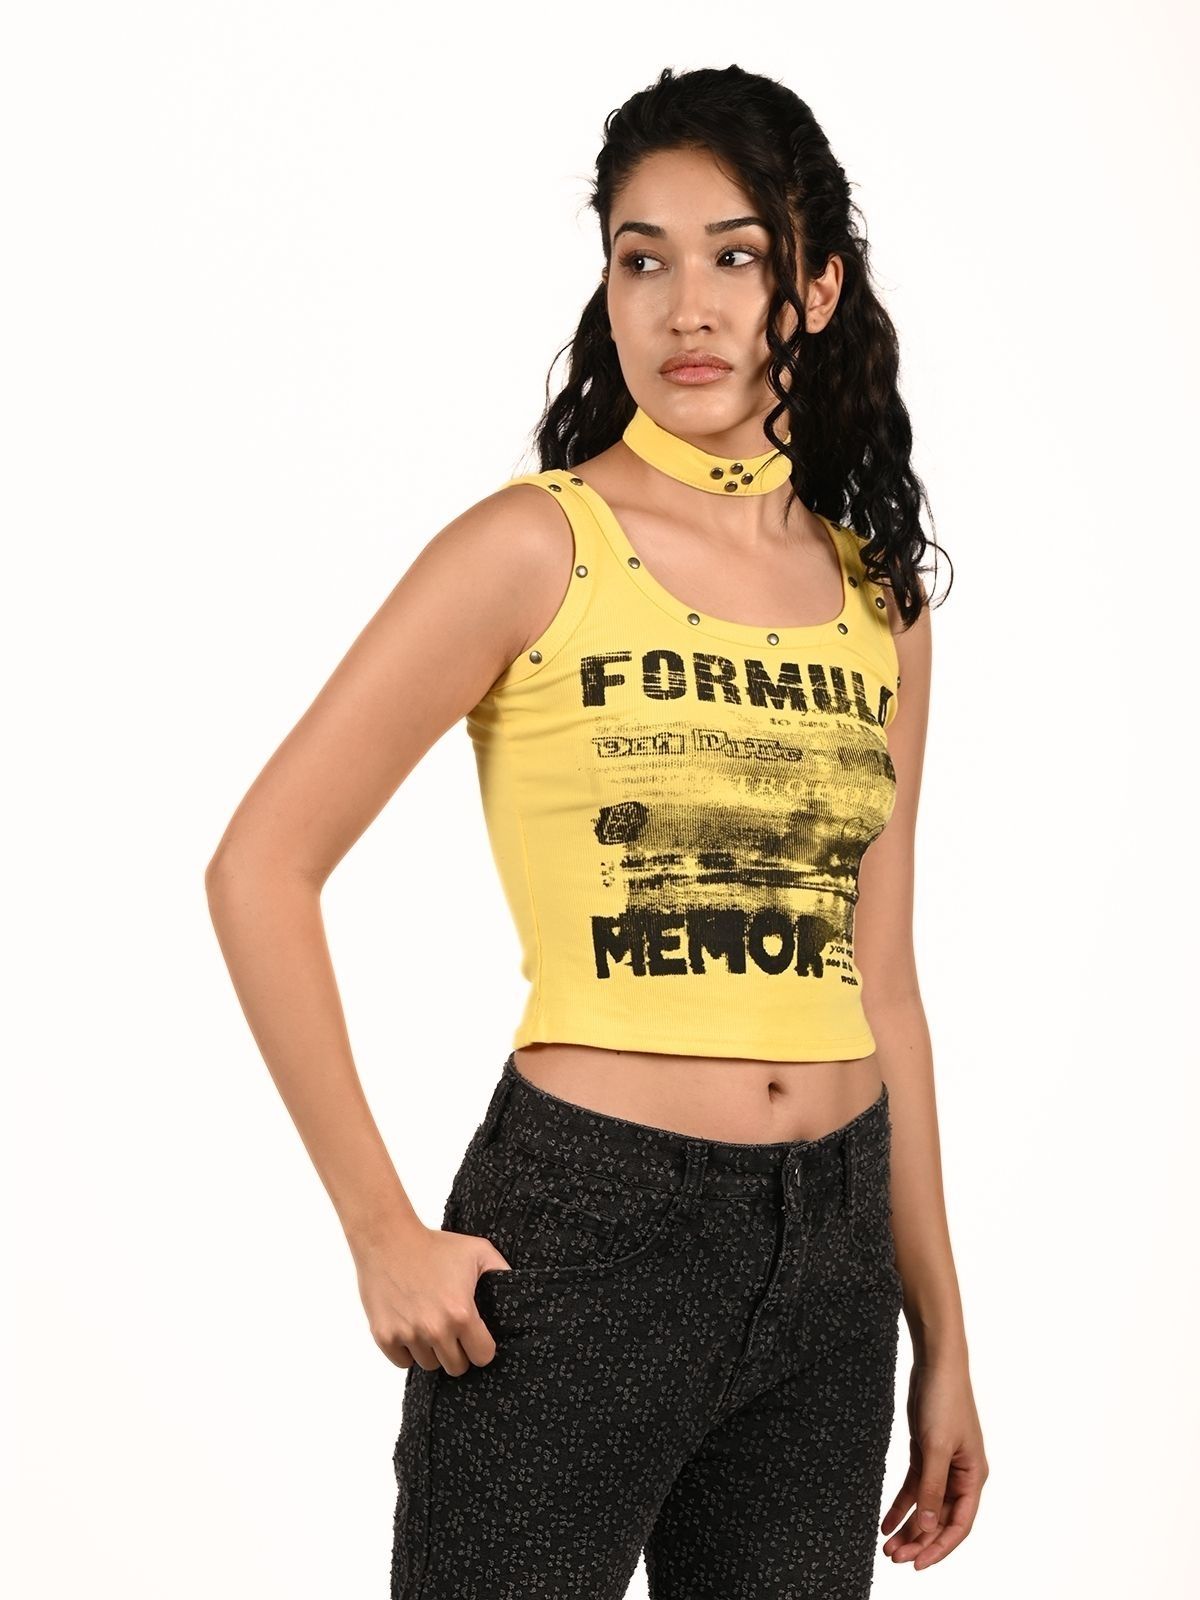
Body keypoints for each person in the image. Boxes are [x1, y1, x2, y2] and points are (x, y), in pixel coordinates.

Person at [205, 62, 987, 1600]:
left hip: (836, 1261)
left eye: (734, 256)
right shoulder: (535, 547)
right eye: (643, 259)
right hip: (589, 1236)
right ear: (608, 286)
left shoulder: (878, 602)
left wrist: (942, 1332)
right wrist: (380, 1230)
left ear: (816, 288)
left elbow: (883, 982)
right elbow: (260, 867)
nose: (686, 306)